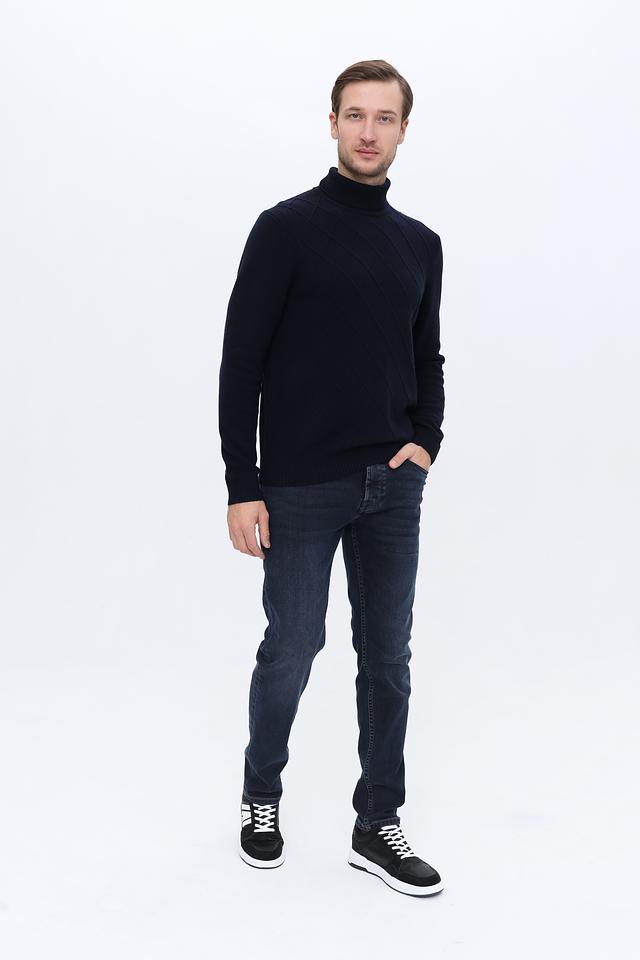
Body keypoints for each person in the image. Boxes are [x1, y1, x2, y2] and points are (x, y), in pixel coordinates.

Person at [218, 59, 446, 897]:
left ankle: (376, 821)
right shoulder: (285, 229)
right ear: (333, 123)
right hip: (300, 486)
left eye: (384, 117)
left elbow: (427, 355)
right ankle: (261, 795)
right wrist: (243, 484)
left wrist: (426, 440)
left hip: (393, 487)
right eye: (356, 115)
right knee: (294, 645)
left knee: (387, 657)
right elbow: (241, 362)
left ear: (403, 130)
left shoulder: (420, 244)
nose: (368, 131)